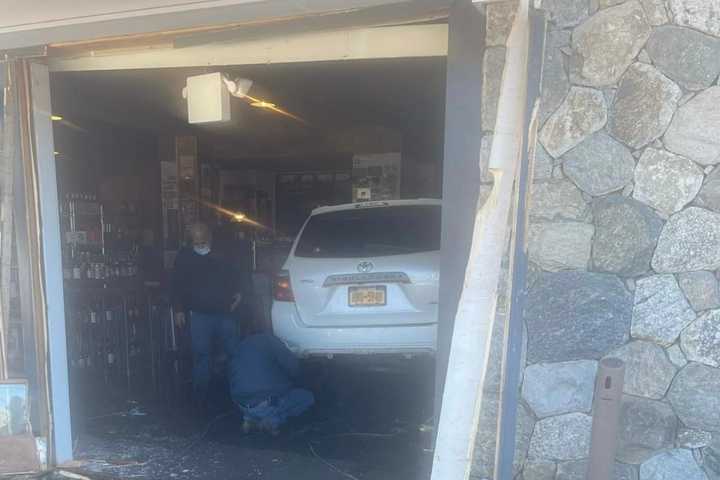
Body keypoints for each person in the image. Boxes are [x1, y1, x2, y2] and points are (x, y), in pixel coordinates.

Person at [171, 222, 246, 408]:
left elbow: (237, 275)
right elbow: (176, 284)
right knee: (201, 356)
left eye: (202, 239)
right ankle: (200, 399)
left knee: (233, 353)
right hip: (198, 314)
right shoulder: (184, 256)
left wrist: (239, 292)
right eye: (196, 240)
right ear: (191, 240)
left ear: (209, 236)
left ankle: (239, 395)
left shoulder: (223, 254)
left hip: (225, 311)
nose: (200, 243)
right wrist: (179, 309)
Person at [229, 333, 314, 434]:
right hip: (265, 403)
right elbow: (294, 368)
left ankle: (250, 418)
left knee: (260, 391)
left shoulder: (243, 344)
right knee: (307, 397)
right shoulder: (272, 341)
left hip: (241, 404)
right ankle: (272, 420)